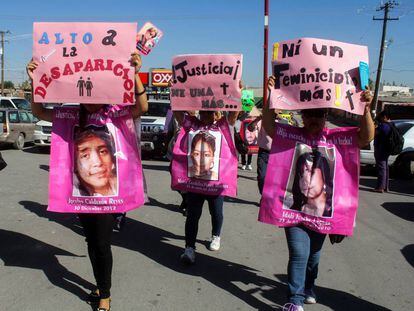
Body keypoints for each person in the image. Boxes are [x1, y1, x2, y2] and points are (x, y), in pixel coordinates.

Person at [27, 51, 148, 311]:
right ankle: (100, 282)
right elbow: (38, 111)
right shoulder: (69, 115)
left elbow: (142, 107)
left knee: (102, 243)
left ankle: (105, 293)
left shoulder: (115, 113)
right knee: (92, 241)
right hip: (81, 195)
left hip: (109, 196)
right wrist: (34, 80)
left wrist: (135, 74)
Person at [262, 76, 374, 310]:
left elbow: (366, 137)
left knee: (313, 257)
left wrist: (366, 109)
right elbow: (270, 127)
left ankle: (309, 286)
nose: (313, 119)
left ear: (326, 116)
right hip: (294, 213)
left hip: (321, 215)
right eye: (309, 114)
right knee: (299, 253)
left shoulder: (337, 138)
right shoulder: (291, 135)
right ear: (302, 115)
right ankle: (295, 300)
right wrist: (269, 96)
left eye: (319, 114)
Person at [174, 109, 239, 264]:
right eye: (203, 113)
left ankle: (216, 235)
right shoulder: (192, 125)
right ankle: (189, 248)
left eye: (209, 113)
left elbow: (233, 116)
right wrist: (175, 92)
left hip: (215, 184)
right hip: (195, 183)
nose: (205, 116)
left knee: (216, 212)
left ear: (215, 114)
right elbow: (177, 114)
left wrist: (237, 93)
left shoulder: (222, 126)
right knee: (192, 215)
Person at [73, 127, 117, 197]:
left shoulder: (123, 186)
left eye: (102, 151)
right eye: (85, 155)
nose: (98, 162)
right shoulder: (72, 193)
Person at [290, 149, 333, 218]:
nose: (305, 179)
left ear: (324, 176)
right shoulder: (292, 210)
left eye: (311, 172)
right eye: (301, 175)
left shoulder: (335, 211)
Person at [373, 110, 392, 193]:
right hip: (387, 149)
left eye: (381, 117)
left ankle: (380, 187)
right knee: (385, 168)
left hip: (381, 149)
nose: (380, 119)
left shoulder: (383, 126)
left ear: (384, 117)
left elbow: (375, 133)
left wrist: (375, 127)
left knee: (382, 168)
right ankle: (385, 187)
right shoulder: (391, 125)